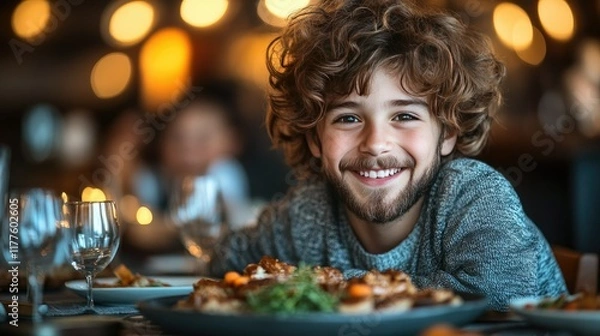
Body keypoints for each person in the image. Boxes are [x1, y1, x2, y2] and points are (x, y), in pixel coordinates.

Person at [209, 0, 567, 311]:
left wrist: (317, 283)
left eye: (405, 116)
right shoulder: (309, 212)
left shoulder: (473, 194)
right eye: (348, 118)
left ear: (448, 133)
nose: (376, 143)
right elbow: (226, 263)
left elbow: (497, 298)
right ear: (315, 139)